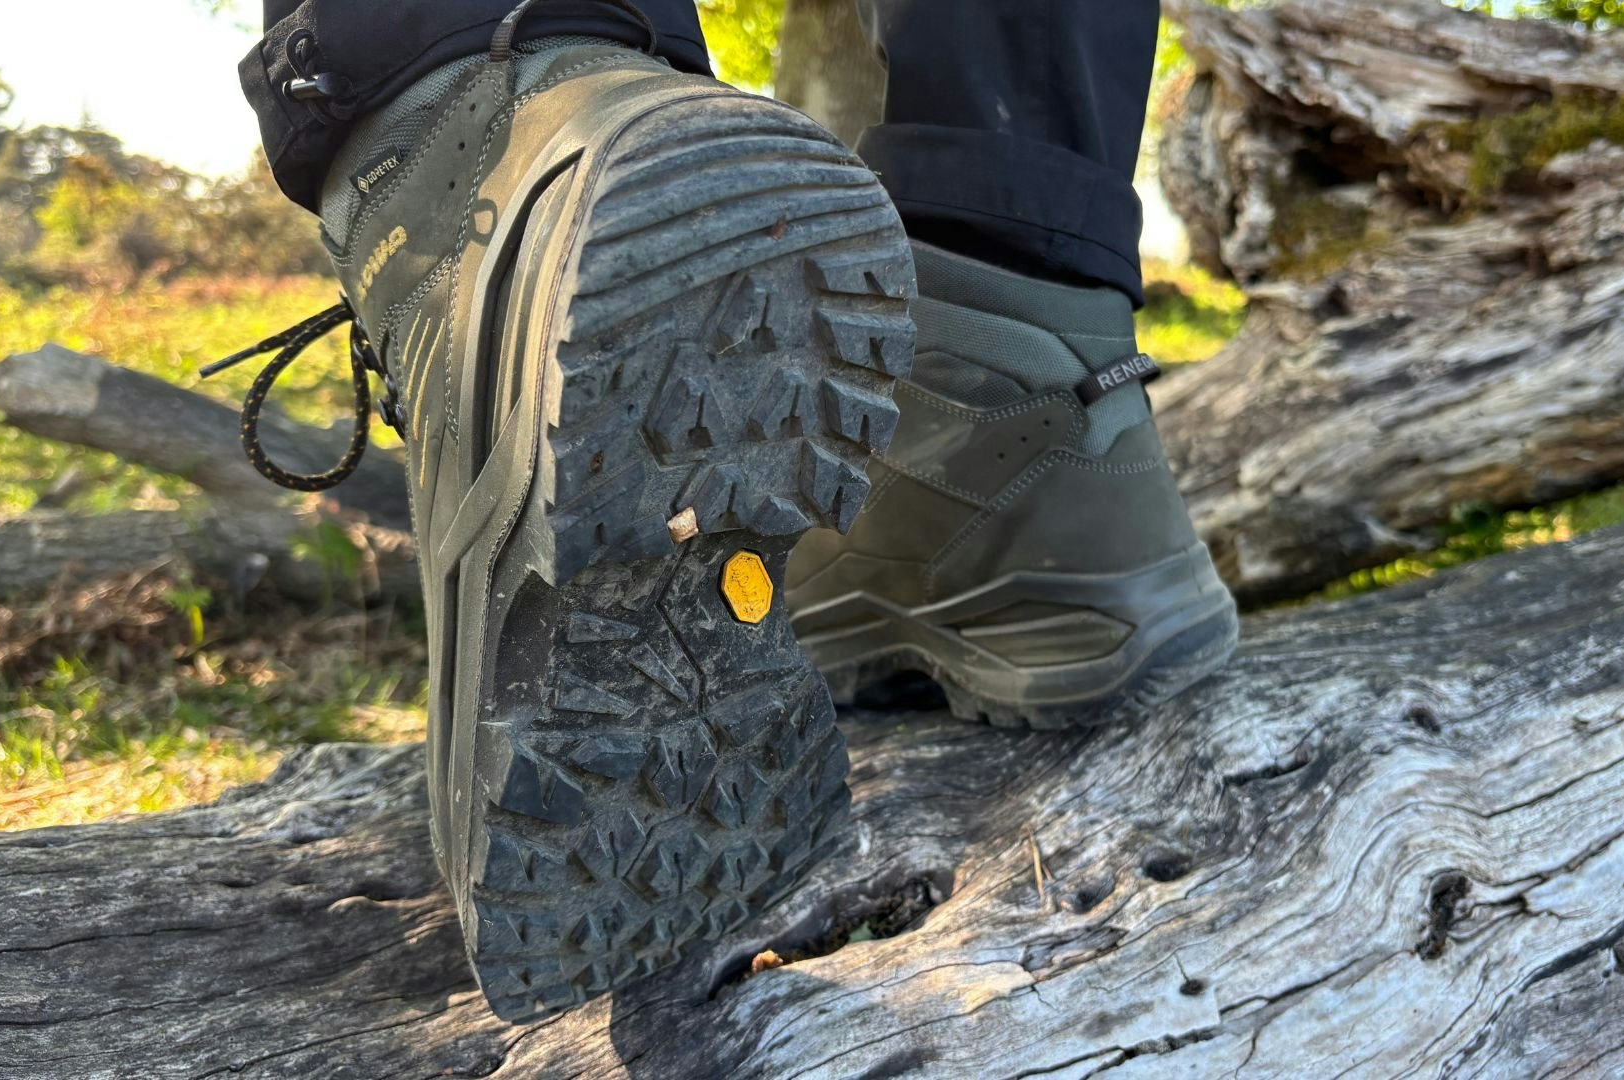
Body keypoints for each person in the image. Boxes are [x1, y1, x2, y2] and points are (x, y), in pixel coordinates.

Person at [216, 0, 1236, 1020]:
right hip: (1089, 365)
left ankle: (475, 115)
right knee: (1008, 221)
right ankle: (1036, 364)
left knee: (504, 39)